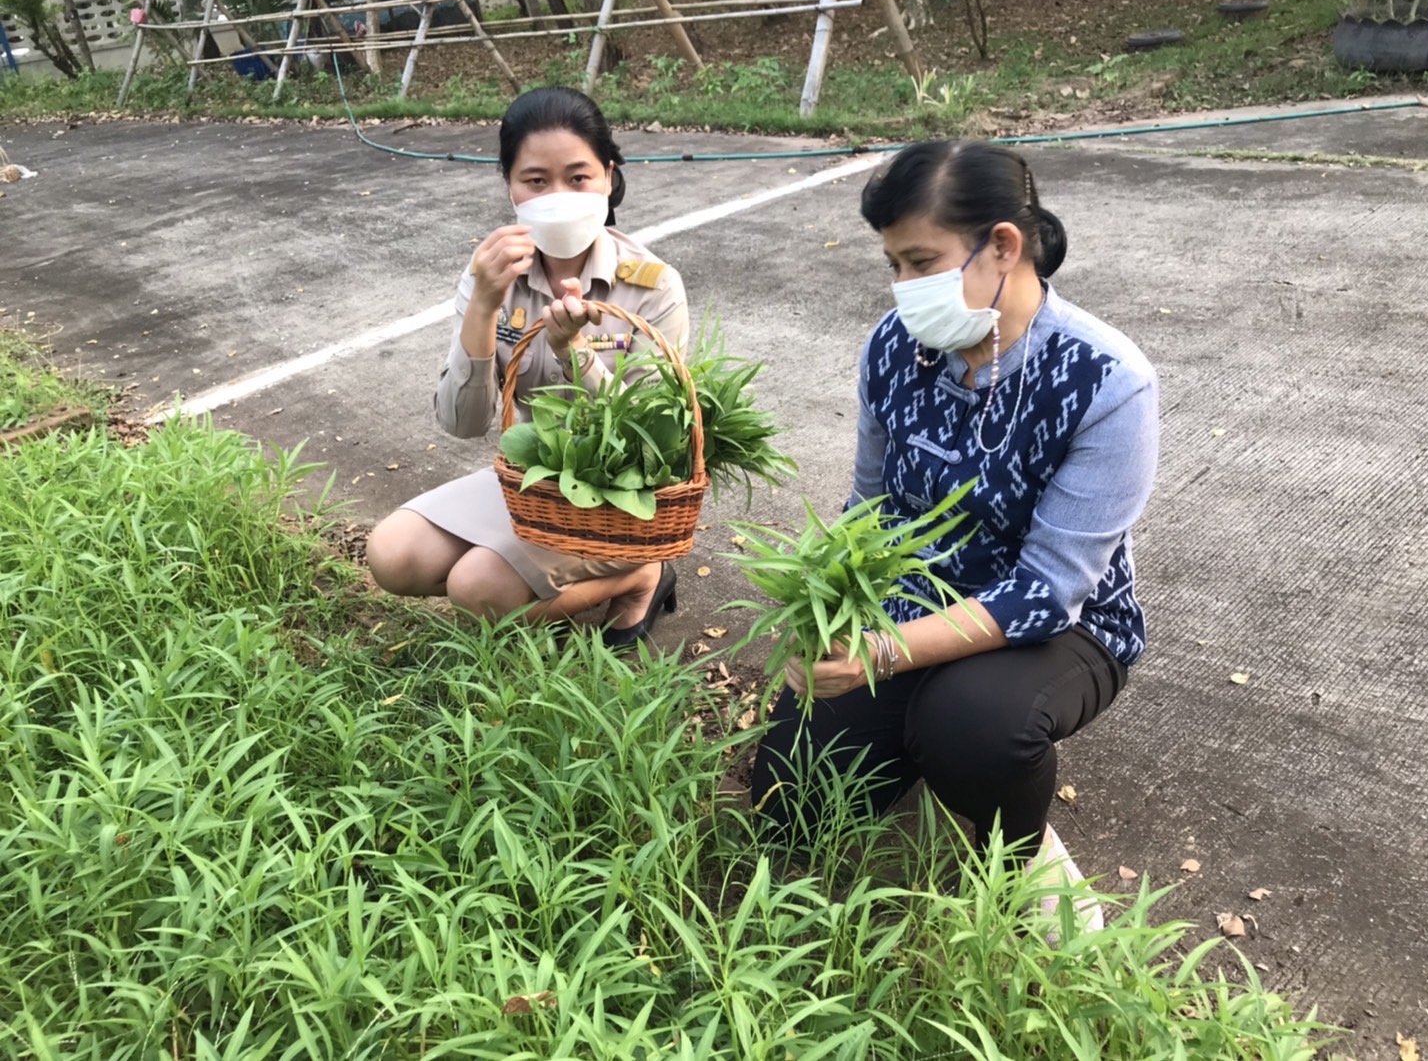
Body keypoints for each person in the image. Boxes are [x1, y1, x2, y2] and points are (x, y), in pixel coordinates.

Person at [749, 140, 1159, 924]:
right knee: (791, 804)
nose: (904, 288)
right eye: (893, 266)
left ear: (1002, 245)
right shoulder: (895, 348)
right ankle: (927, 739)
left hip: (1059, 631)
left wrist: (878, 655)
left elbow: (1049, 589)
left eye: (920, 261)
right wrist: (820, 619)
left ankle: (1020, 846)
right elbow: (867, 510)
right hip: (904, 602)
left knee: (973, 727)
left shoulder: (1106, 379)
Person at [366, 88, 688, 647]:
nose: (557, 196)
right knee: (392, 556)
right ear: (510, 187)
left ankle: (641, 573)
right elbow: (464, 424)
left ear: (608, 178)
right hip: (532, 481)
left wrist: (575, 352)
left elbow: (651, 447)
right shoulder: (491, 274)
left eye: (578, 177)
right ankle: (535, 570)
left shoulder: (652, 285)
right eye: (536, 181)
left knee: (477, 589)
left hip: (618, 497)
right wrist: (484, 304)